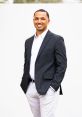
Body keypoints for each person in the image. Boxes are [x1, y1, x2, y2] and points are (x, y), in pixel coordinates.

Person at [20, 9, 67, 117]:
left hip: (47, 87)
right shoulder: (28, 41)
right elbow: (27, 63)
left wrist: (53, 87)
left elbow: (62, 65)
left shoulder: (56, 40)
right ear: (33, 20)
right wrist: (25, 84)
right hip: (30, 87)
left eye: (42, 18)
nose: (39, 21)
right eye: (36, 18)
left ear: (48, 21)